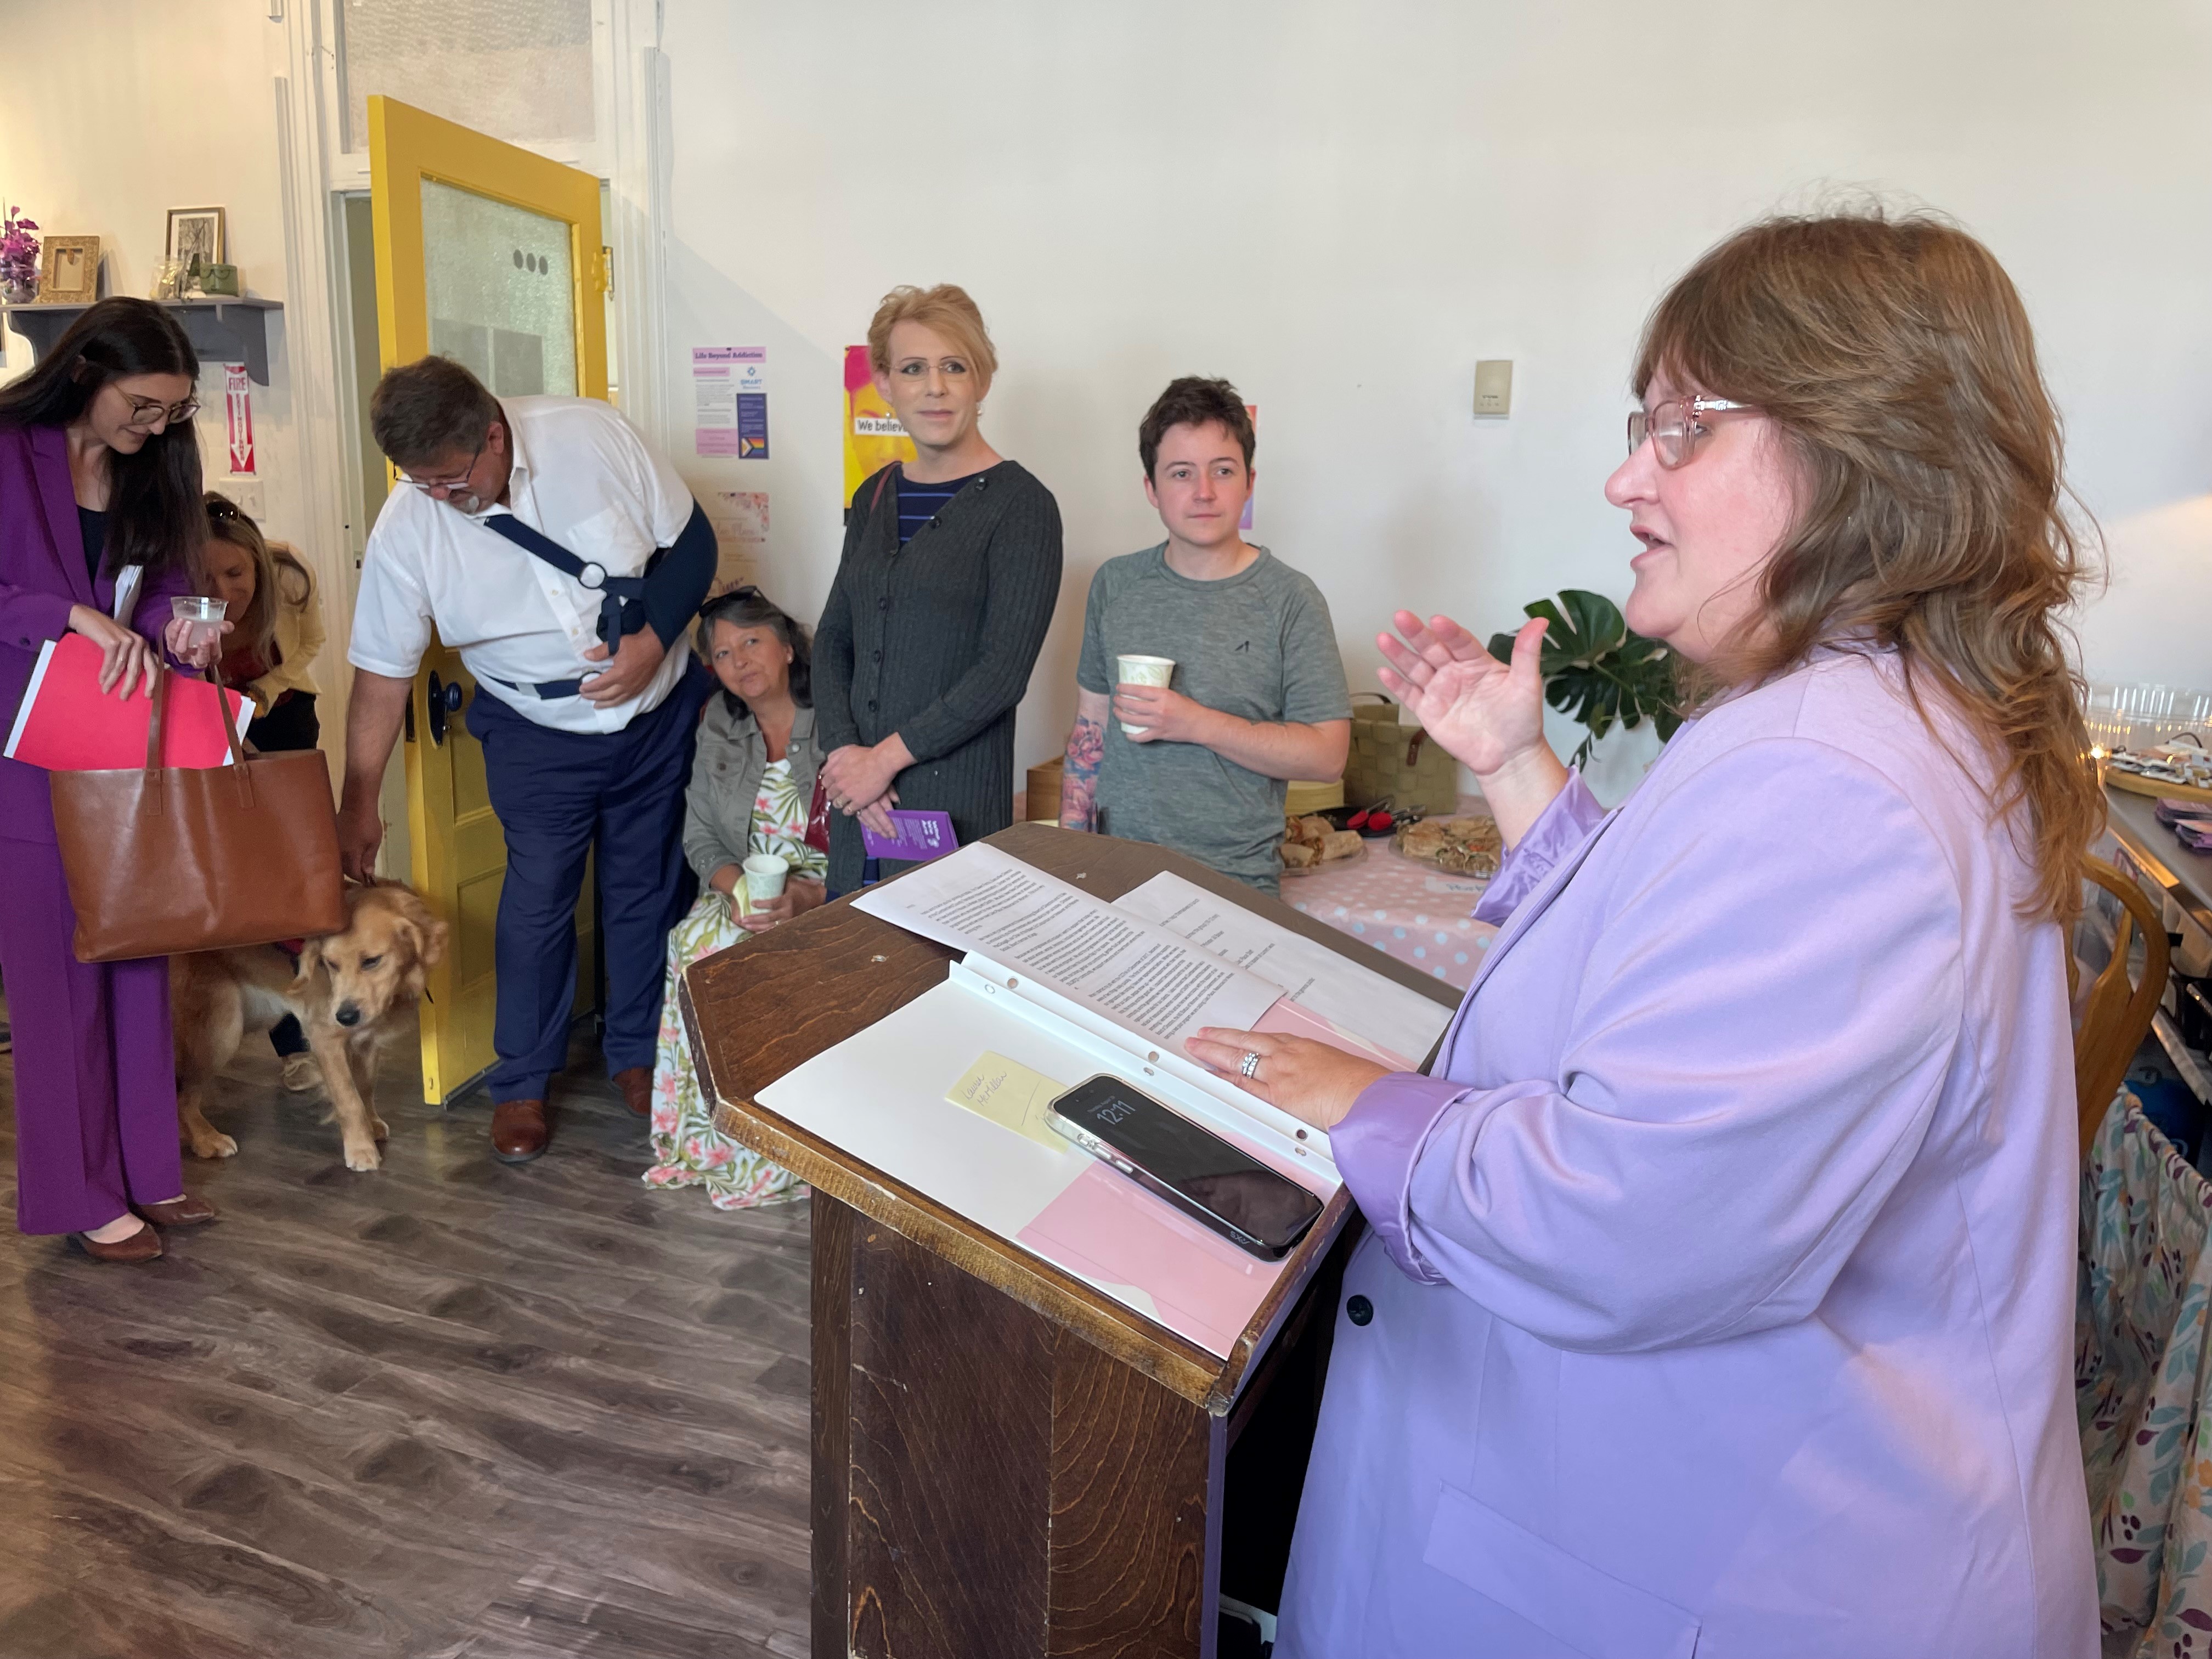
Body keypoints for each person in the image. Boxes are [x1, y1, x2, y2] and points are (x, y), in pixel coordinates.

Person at [1188, 212, 2102, 1656]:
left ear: (1859, 447)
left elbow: (1626, 1215)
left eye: (1681, 430)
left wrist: (1374, 1108)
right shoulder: (1854, 722)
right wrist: (1514, 765)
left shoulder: (1831, 776)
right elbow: (1692, 961)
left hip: (1738, 1575)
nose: (1627, 477)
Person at [340, 356, 717, 1163]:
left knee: (642, 889)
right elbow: (381, 676)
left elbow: (693, 547)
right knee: (539, 902)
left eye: (451, 478)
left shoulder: (592, 435)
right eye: (421, 482)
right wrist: (358, 800)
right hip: (533, 729)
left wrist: (653, 645)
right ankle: (522, 1080)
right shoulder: (408, 524)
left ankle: (637, 1053)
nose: (441, 498)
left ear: (493, 434)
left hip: (654, 714)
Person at [0, 297, 229, 1261]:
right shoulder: (7, 446)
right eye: (142, 406)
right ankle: (81, 1192)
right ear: (88, 371)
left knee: (142, 948)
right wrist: (63, 613)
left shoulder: (156, 464)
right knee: (57, 976)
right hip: (28, 745)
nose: (156, 428)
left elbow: (175, 580)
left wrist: (189, 622)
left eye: (172, 412)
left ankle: (145, 1171)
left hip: (131, 742)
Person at [814, 285, 1062, 893]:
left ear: (982, 381)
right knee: (855, 968)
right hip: (858, 807)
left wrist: (884, 761)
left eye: (956, 366)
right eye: (914, 369)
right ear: (885, 383)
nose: (936, 387)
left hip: (952, 808)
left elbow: (1002, 672)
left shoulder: (1022, 506)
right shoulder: (874, 495)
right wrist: (849, 757)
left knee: (935, 973)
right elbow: (833, 639)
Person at [1058, 377, 1350, 894]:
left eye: (1222, 470)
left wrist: (1195, 722)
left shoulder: (1292, 600)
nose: (1204, 492)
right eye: (1181, 473)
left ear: (1249, 482)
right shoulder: (1115, 584)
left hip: (1234, 884)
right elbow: (1091, 728)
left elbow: (1327, 757)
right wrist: (1072, 857)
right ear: (1151, 488)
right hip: (1114, 873)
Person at [644, 586, 826, 1209]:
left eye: (752, 641)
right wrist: (741, 889)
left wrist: (809, 897)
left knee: (767, 960)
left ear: (787, 645)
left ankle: (779, 1156)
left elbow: (875, 842)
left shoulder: (840, 715)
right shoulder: (721, 723)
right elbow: (698, 834)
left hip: (828, 895)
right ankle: (705, 1145)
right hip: (745, 890)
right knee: (694, 942)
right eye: (723, 653)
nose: (741, 661)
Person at [201, 490, 327, 1088]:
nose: (224, 591)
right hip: (208, 722)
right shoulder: (171, 602)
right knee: (246, 883)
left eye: (236, 574)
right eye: (207, 577)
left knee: (301, 876)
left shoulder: (290, 575)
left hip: (283, 714)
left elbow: (310, 644)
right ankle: (281, 1033)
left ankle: (314, 1034)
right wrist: (226, 720)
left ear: (258, 564)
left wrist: (263, 693)